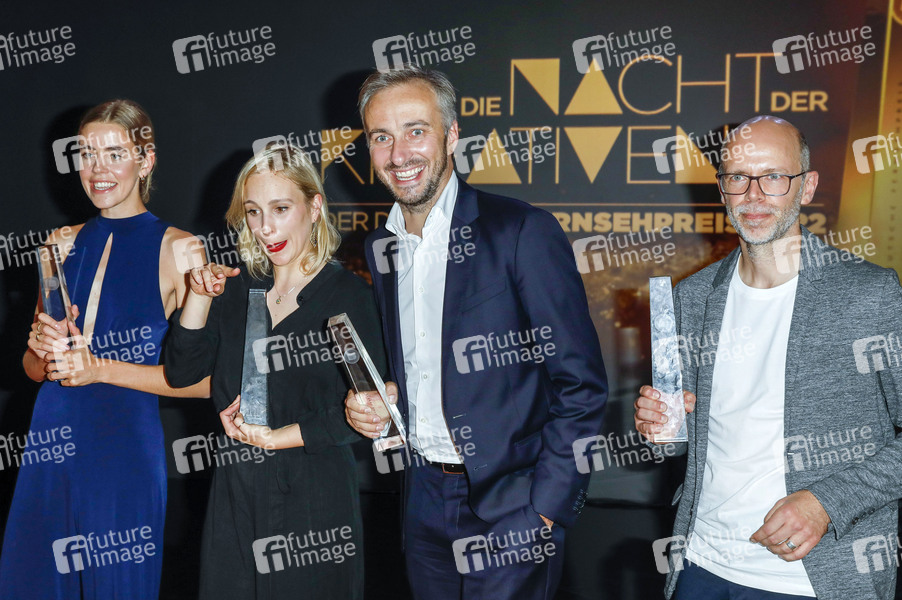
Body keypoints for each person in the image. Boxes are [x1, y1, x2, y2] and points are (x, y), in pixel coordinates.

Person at [343, 65, 608, 600]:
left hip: (513, 506)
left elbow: (581, 384)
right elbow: (414, 369)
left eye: (416, 131)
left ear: (451, 135)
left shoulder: (521, 230)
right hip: (420, 497)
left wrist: (545, 508)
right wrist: (380, 406)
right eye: (381, 137)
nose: (399, 153)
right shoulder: (380, 246)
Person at [634, 115, 902, 600]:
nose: (753, 195)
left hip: (813, 578)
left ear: (807, 186)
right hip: (702, 564)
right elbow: (682, 444)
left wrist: (826, 502)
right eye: (738, 177)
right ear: (722, 189)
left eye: (774, 176)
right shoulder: (692, 298)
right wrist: (662, 427)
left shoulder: (871, 296)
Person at [0, 99, 210, 598]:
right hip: (49, 439)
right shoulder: (57, 245)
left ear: (146, 160)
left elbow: (203, 383)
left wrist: (99, 369)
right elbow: (32, 369)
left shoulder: (181, 250)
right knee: (33, 583)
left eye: (115, 154)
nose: (98, 169)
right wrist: (40, 352)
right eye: (87, 154)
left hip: (122, 447)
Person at [163, 143, 384, 599]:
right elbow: (182, 373)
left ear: (314, 207)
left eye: (281, 209)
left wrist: (276, 437)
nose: (265, 227)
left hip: (313, 499)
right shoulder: (238, 288)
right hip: (235, 490)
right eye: (253, 212)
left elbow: (365, 413)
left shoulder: (349, 296)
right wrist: (198, 297)